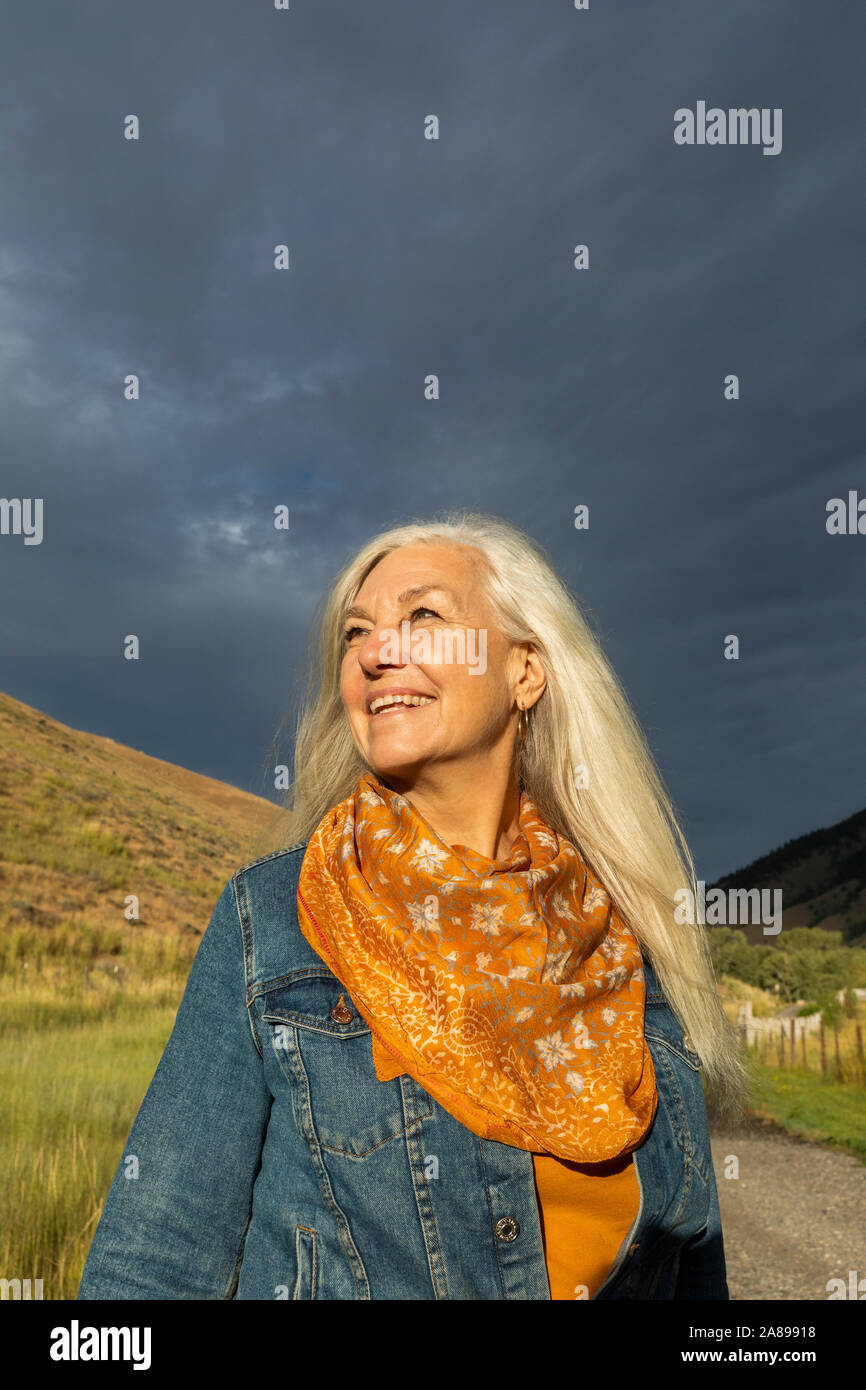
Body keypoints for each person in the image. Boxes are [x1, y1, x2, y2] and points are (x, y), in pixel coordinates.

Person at [78, 511, 745, 1300]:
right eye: (355, 634)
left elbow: (694, 1272)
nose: (374, 652)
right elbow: (153, 1265)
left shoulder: (621, 939)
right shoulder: (276, 923)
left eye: (423, 616)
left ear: (525, 671)